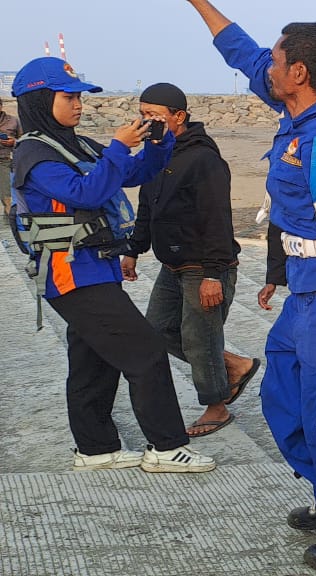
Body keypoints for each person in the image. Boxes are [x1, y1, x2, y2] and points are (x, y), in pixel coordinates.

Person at [184, 1, 316, 570]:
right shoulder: (294, 112)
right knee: (285, 400)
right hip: (305, 292)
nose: (266, 70)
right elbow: (244, 54)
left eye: (276, 62)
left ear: (298, 72)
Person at [9, 57, 215, 473]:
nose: (79, 104)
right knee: (146, 351)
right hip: (70, 273)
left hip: (95, 266)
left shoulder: (77, 144)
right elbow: (86, 192)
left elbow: (132, 173)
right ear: (40, 99)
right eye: (69, 97)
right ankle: (166, 446)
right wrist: (119, 146)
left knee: (93, 360)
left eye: (80, 96)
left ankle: (95, 449)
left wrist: (158, 146)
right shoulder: (34, 153)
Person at [121, 82, 261, 438]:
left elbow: (217, 217)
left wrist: (214, 274)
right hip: (173, 265)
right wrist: (134, 250)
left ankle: (216, 407)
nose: (146, 122)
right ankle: (233, 364)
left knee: (200, 338)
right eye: (142, 115)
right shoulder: (156, 153)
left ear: (178, 117)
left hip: (204, 266)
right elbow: (146, 206)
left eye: (154, 116)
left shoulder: (203, 158)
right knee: (155, 331)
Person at [1, 97, 20, 200]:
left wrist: (14, 142)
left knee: (7, 196)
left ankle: (9, 215)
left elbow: (24, 140)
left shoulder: (13, 121)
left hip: (5, 161)